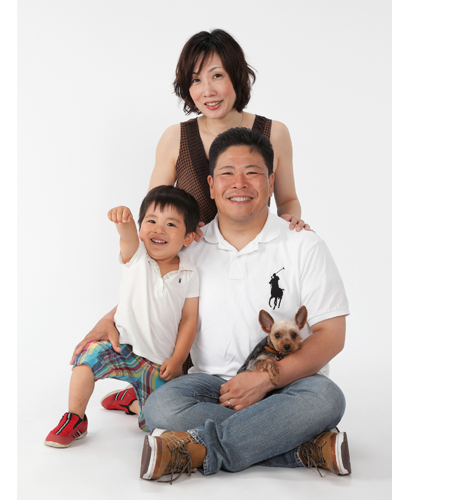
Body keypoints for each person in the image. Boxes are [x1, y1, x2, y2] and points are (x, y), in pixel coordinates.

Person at [139, 127, 351, 481]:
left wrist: (266, 380)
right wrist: (109, 319)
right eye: (227, 173)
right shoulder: (189, 247)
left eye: (252, 172)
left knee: (326, 398)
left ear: (270, 182)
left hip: (289, 384)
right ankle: (302, 446)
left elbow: (332, 335)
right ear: (210, 185)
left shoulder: (304, 245)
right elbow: (149, 295)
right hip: (212, 387)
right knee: (160, 406)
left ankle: (196, 450)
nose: (239, 183)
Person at [45, 186, 201, 447]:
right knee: (86, 360)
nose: (159, 229)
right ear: (141, 228)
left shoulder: (189, 273)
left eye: (171, 224)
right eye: (151, 221)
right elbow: (128, 239)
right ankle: (75, 417)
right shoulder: (137, 257)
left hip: (158, 362)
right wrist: (124, 221)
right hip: (122, 346)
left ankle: (129, 401)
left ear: (188, 237)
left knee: (153, 423)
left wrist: (177, 359)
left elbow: (189, 320)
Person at [149, 28, 311, 232]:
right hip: (192, 252)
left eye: (217, 75)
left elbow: (288, 200)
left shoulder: (274, 133)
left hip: (256, 250)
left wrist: (291, 222)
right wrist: (181, 226)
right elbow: (153, 210)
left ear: (236, 76)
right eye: (196, 80)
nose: (208, 91)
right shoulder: (175, 138)